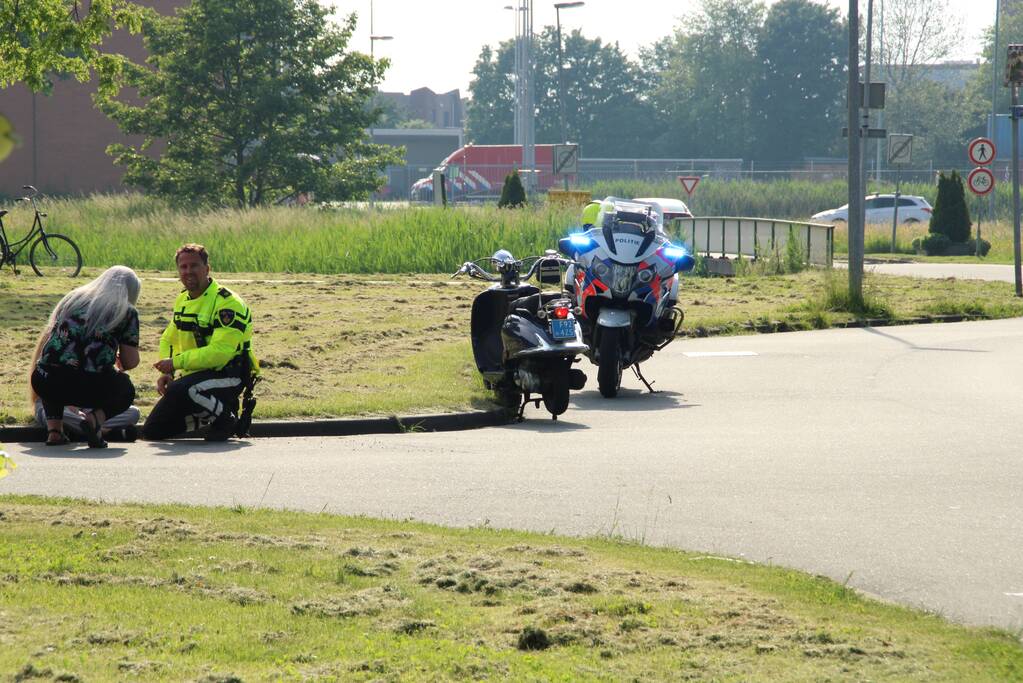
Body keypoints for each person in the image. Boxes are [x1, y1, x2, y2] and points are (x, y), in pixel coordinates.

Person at [143, 243, 259, 441]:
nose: (189, 271)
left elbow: (219, 353)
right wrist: (168, 371)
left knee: (183, 389)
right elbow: (168, 338)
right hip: (195, 376)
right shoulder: (183, 299)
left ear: (207, 268)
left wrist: (176, 363)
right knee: (153, 431)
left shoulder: (227, 303)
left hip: (229, 373)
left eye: (194, 266)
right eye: (183, 267)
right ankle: (212, 414)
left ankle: (225, 418)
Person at [30, 266, 141, 448]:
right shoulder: (127, 311)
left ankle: (55, 431)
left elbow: (53, 353)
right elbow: (130, 362)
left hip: (44, 380)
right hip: (91, 385)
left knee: (54, 367)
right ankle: (94, 420)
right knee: (125, 390)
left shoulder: (72, 299)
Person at [32, 401, 141, 443]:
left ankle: (81, 431)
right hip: (56, 404)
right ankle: (105, 432)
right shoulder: (50, 352)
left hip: (85, 409)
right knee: (50, 414)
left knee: (133, 413)